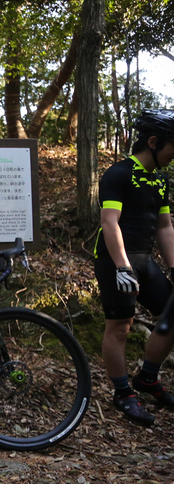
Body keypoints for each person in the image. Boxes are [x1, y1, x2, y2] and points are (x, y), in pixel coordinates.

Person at [94, 108, 174, 426]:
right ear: (153, 142)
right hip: (114, 260)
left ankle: (148, 379)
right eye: (173, 147)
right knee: (120, 327)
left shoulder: (160, 180)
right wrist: (122, 266)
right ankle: (123, 392)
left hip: (145, 259)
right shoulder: (118, 174)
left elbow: (165, 227)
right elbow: (108, 221)